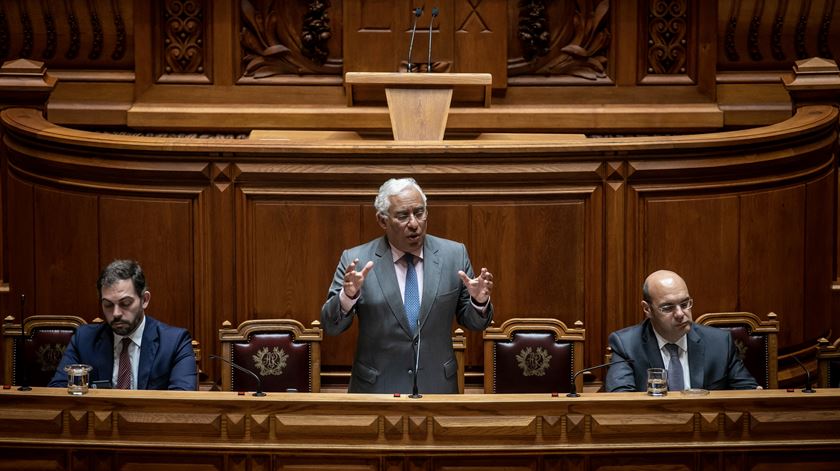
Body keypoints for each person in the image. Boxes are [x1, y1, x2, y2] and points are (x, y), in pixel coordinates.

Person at [320, 177, 494, 394]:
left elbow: (475, 323)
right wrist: (347, 297)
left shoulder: (454, 255)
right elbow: (331, 326)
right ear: (383, 220)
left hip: (437, 388)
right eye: (403, 216)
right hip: (376, 390)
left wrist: (479, 301)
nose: (414, 223)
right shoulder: (356, 260)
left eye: (419, 213)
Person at [49, 259, 197, 390]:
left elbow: (183, 402)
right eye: (108, 305)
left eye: (125, 303)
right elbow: (57, 392)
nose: (116, 313)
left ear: (144, 300)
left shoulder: (174, 342)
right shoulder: (84, 340)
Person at [605, 269, 760, 392]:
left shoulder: (720, 343)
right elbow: (621, 401)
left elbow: (747, 392)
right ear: (647, 309)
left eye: (685, 304)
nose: (680, 314)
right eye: (668, 307)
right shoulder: (626, 345)